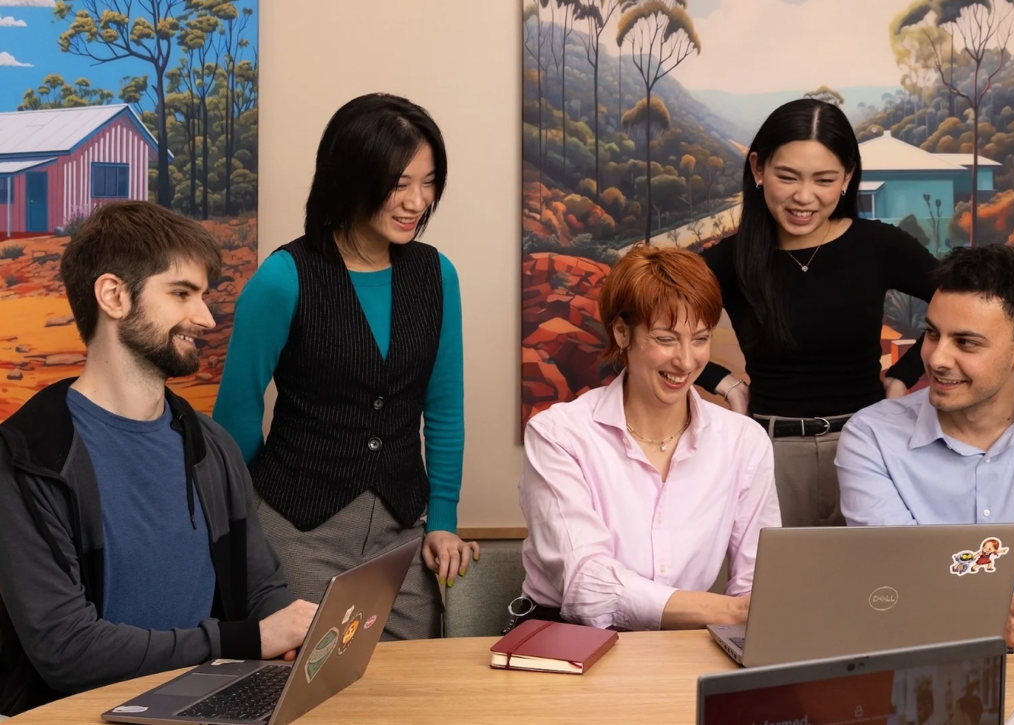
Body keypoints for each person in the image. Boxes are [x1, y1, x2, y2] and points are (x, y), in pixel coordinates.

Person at [0, 201, 314, 717]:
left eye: (203, 297)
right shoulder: (28, 457)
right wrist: (245, 639)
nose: (206, 318)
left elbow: (261, 589)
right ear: (113, 296)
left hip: (207, 708)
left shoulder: (212, 447)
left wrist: (300, 634)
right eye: (181, 294)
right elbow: (67, 651)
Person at [214, 94, 477, 640]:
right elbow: (234, 420)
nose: (417, 202)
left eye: (428, 183)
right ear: (351, 177)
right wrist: (268, 513)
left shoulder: (437, 275)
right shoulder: (283, 278)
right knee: (309, 693)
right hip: (296, 531)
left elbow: (444, 408)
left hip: (402, 533)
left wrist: (444, 521)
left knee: (412, 693)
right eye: (399, 183)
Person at [697, 98, 939, 528]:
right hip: (769, 454)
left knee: (874, 590)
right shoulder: (731, 258)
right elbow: (644, 325)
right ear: (757, 169)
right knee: (774, 592)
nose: (803, 197)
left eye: (824, 179)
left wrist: (903, 374)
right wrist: (724, 383)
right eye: (786, 176)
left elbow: (965, 309)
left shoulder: (881, 246)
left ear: (847, 178)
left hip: (869, 447)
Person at [836, 244, 1014, 655]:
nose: (937, 358)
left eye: (966, 343)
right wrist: (988, 615)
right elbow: (896, 576)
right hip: (923, 659)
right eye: (932, 333)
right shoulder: (871, 436)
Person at [518, 245, 781, 631]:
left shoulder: (744, 442)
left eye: (700, 339)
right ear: (622, 332)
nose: (687, 361)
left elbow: (756, 584)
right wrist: (729, 611)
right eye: (666, 338)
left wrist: (744, 621)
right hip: (568, 641)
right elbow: (588, 585)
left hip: (686, 644)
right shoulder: (559, 435)